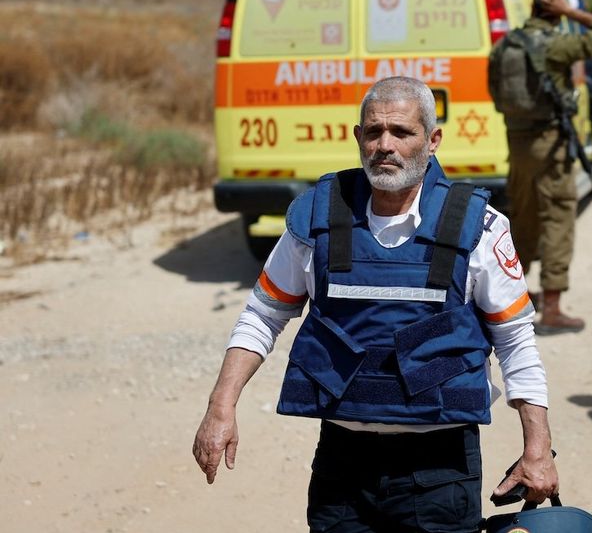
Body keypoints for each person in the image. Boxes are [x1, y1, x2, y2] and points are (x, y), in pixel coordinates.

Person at [193, 76, 559, 532]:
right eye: (373, 132)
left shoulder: (480, 225)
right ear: (357, 137)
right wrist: (220, 407)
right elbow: (263, 315)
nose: (384, 145)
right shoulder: (318, 217)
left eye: (401, 133)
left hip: (440, 470)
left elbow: (515, 341)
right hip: (343, 466)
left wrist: (537, 449)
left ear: (432, 140)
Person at [499, 0, 592, 335]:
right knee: (558, 217)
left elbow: (496, 91)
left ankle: (507, 298)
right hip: (550, 144)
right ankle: (551, 308)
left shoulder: (506, 44)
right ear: (555, 10)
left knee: (522, 217)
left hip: (517, 143)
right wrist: (572, 12)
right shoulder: (555, 44)